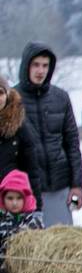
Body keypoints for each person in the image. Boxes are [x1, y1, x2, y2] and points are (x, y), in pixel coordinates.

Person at [13, 42, 82, 227]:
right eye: (36, 65)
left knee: (62, 246)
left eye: (45, 66)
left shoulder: (61, 98)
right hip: (24, 189)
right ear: (26, 66)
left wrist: (77, 185)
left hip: (60, 185)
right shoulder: (13, 100)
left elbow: (72, 143)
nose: (40, 71)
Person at [0, 170, 44, 273]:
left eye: (19, 198)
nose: (14, 203)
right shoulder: (1, 220)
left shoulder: (33, 221)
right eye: (10, 198)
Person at [0, 77, 44, 208]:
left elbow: (32, 170)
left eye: (0, 93)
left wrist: (37, 208)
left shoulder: (19, 127)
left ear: (7, 95)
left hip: (12, 202)